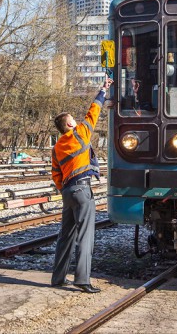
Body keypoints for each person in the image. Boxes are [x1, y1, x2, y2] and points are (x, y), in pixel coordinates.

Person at [50, 76, 113, 293]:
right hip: (82, 189)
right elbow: (93, 111)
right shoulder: (80, 134)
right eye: (73, 119)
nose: (77, 121)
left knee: (65, 235)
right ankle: (82, 279)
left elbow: (55, 174)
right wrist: (103, 90)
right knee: (85, 235)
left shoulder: (57, 147)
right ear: (69, 124)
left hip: (67, 191)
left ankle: (58, 277)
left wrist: (64, 190)